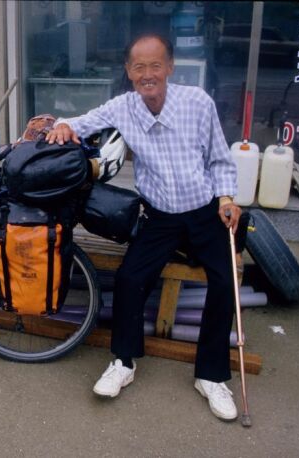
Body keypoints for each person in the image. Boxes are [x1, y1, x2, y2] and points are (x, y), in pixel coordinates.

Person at [45, 34, 242, 421]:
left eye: (156, 66)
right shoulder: (123, 107)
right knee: (130, 278)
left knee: (225, 280)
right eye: (139, 67)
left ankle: (212, 376)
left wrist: (227, 199)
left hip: (204, 211)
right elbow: (80, 122)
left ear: (170, 67)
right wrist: (63, 126)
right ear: (129, 71)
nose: (147, 75)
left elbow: (220, 159)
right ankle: (123, 363)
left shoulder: (198, 103)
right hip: (159, 217)